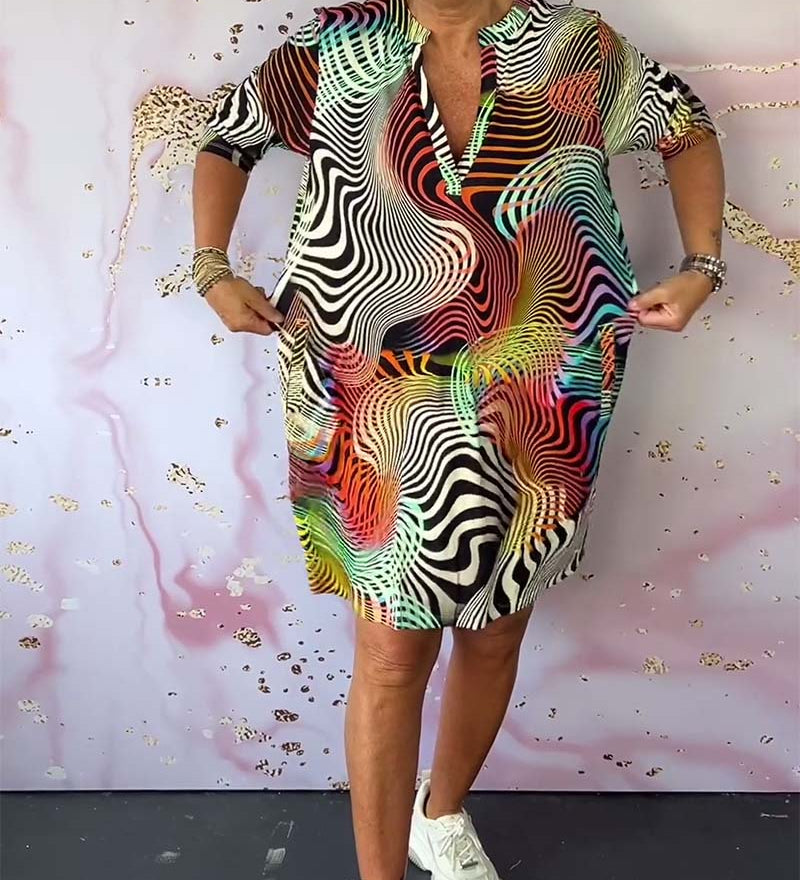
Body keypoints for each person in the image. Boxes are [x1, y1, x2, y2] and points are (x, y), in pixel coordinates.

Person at [191, 0, 725, 877]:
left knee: (496, 626)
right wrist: (213, 266)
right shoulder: (340, 44)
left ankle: (439, 816)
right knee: (392, 648)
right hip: (371, 396)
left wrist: (702, 264)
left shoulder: (576, 44)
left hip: (542, 394)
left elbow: (686, 129)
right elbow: (228, 136)